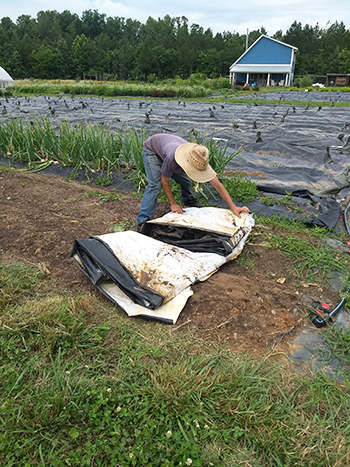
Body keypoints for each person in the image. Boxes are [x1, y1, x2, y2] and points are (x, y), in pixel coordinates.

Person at [136, 133, 250, 229]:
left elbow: (218, 185)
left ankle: (188, 199)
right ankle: (143, 220)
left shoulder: (199, 157)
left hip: (167, 147)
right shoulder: (172, 159)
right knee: (154, 186)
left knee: (185, 180)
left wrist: (233, 207)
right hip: (153, 150)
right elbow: (164, 181)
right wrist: (173, 204)